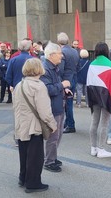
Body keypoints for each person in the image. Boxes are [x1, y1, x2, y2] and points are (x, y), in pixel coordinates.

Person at [14, 58, 58, 193]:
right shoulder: (39, 86)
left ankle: (23, 178)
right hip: (34, 127)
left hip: (22, 125)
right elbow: (44, 111)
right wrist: (53, 124)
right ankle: (33, 183)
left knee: (24, 154)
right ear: (39, 69)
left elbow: (16, 107)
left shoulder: (19, 85)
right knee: (35, 157)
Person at [87, 42, 111, 158]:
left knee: (94, 122)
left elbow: (89, 83)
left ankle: (93, 148)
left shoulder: (92, 64)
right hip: (106, 97)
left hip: (94, 96)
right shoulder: (110, 64)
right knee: (104, 123)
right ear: (107, 51)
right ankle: (101, 149)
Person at [41, 42, 71, 172]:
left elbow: (55, 85)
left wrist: (64, 90)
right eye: (59, 53)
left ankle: (52, 157)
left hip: (59, 104)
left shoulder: (53, 67)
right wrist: (62, 85)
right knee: (53, 136)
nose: (62, 56)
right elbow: (47, 89)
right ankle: (48, 161)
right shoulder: (45, 69)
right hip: (53, 107)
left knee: (57, 135)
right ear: (52, 55)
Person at [57, 32, 80, 134]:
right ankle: (68, 123)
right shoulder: (75, 51)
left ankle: (70, 125)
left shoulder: (62, 52)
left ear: (58, 41)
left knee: (67, 104)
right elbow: (78, 66)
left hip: (66, 80)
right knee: (69, 102)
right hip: (74, 78)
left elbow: (60, 69)